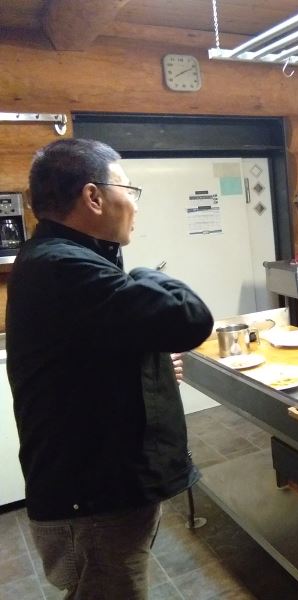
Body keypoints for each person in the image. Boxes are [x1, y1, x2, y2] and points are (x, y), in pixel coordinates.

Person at [5, 138, 214, 599]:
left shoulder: (57, 259)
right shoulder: (64, 266)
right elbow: (190, 317)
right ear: (93, 197)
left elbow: (86, 358)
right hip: (94, 498)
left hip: (97, 489)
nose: (135, 205)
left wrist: (152, 367)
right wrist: (143, 274)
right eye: (129, 191)